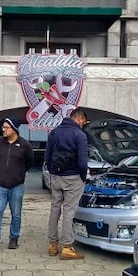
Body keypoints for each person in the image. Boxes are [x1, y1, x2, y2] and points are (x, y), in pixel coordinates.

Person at [44, 108, 90, 260]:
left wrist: (53, 173)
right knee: (69, 211)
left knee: (55, 208)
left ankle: (52, 245)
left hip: (56, 177)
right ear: (79, 119)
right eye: (83, 121)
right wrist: (83, 177)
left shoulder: (54, 133)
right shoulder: (80, 135)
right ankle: (67, 247)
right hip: (73, 177)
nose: (83, 124)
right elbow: (83, 162)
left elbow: (47, 156)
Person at [0, 117, 35, 251]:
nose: (3, 129)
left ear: (14, 129)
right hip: (0, 185)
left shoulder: (24, 145)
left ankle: (14, 238)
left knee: (16, 214)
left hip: (17, 186)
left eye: (6, 127)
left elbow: (29, 162)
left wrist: (19, 174)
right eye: (3, 127)